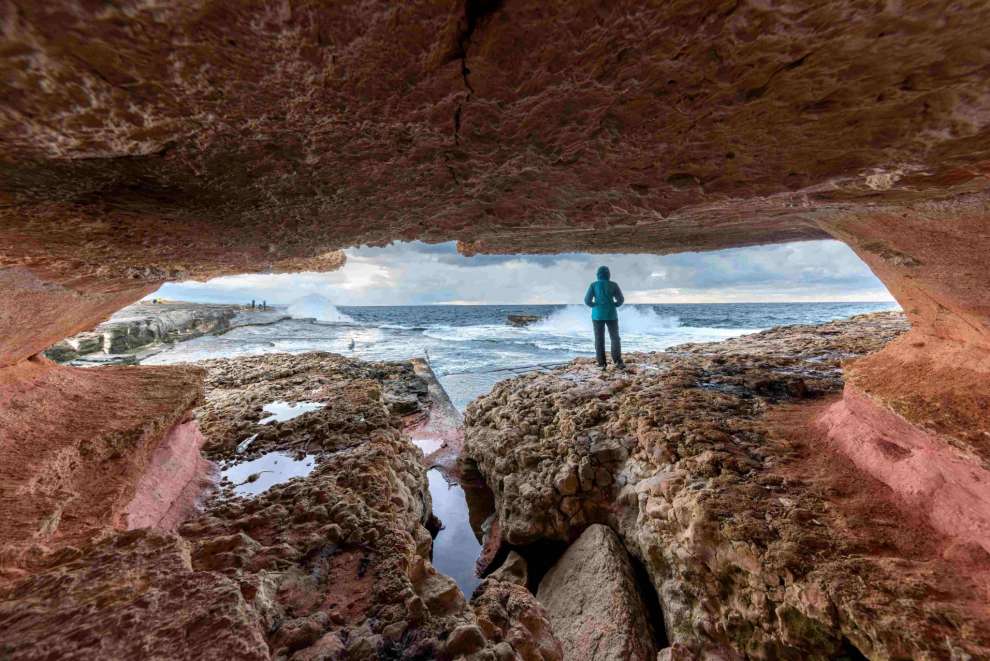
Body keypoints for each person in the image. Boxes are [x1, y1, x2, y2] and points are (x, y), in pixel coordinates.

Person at [584, 265, 626, 370]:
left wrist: (595, 305)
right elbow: (620, 299)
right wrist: (614, 304)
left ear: (598, 274)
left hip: (597, 315)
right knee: (615, 338)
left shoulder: (593, 285)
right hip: (611, 314)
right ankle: (617, 361)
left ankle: (601, 363)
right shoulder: (614, 285)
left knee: (599, 339)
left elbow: (587, 300)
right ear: (608, 274)